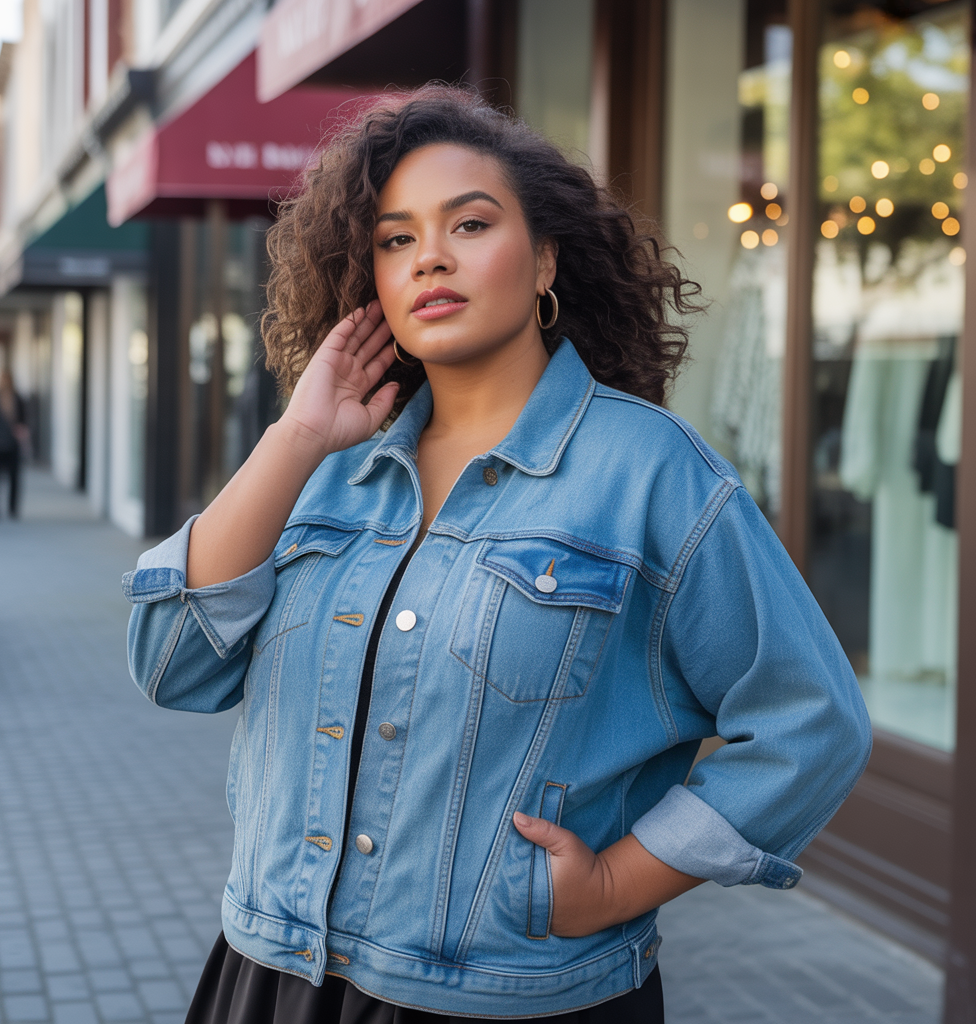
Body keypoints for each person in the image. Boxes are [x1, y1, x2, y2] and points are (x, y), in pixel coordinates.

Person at [123, 88, 871, 1022]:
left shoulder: (649, 475)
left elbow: (810, 721)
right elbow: (170, 663)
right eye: (395, 240)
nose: (430, 255)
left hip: (511, 999)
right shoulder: (324, 469)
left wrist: (616, 884)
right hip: (273, 973)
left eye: (469, 224)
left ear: (546, 256)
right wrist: (297, 434)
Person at [0, 369, 27, 518]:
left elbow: (22, 422)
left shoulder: (16, 399)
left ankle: (11, 508)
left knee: (12, 479)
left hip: (9, 444)